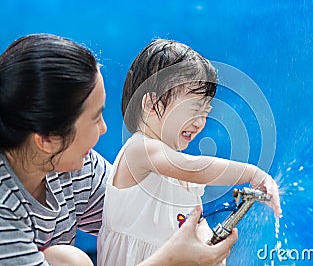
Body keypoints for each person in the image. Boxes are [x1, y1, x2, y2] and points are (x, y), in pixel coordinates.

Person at [0, 33, 237, 266]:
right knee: (69, 260)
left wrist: (201, 243)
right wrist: (170, 260)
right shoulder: (4, 212)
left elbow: (148, 218)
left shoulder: (73, 170)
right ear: (47, 139)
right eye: (95, 118)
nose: (104, 128)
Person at [97, 39, 282, 266]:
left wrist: (209, 249)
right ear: (151, 103)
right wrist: (252, 173)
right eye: (194, 109)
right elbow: (193, 167)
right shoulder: (139, 149)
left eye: (205, 112)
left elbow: (195, 221)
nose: (200, 122)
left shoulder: (180, 178)